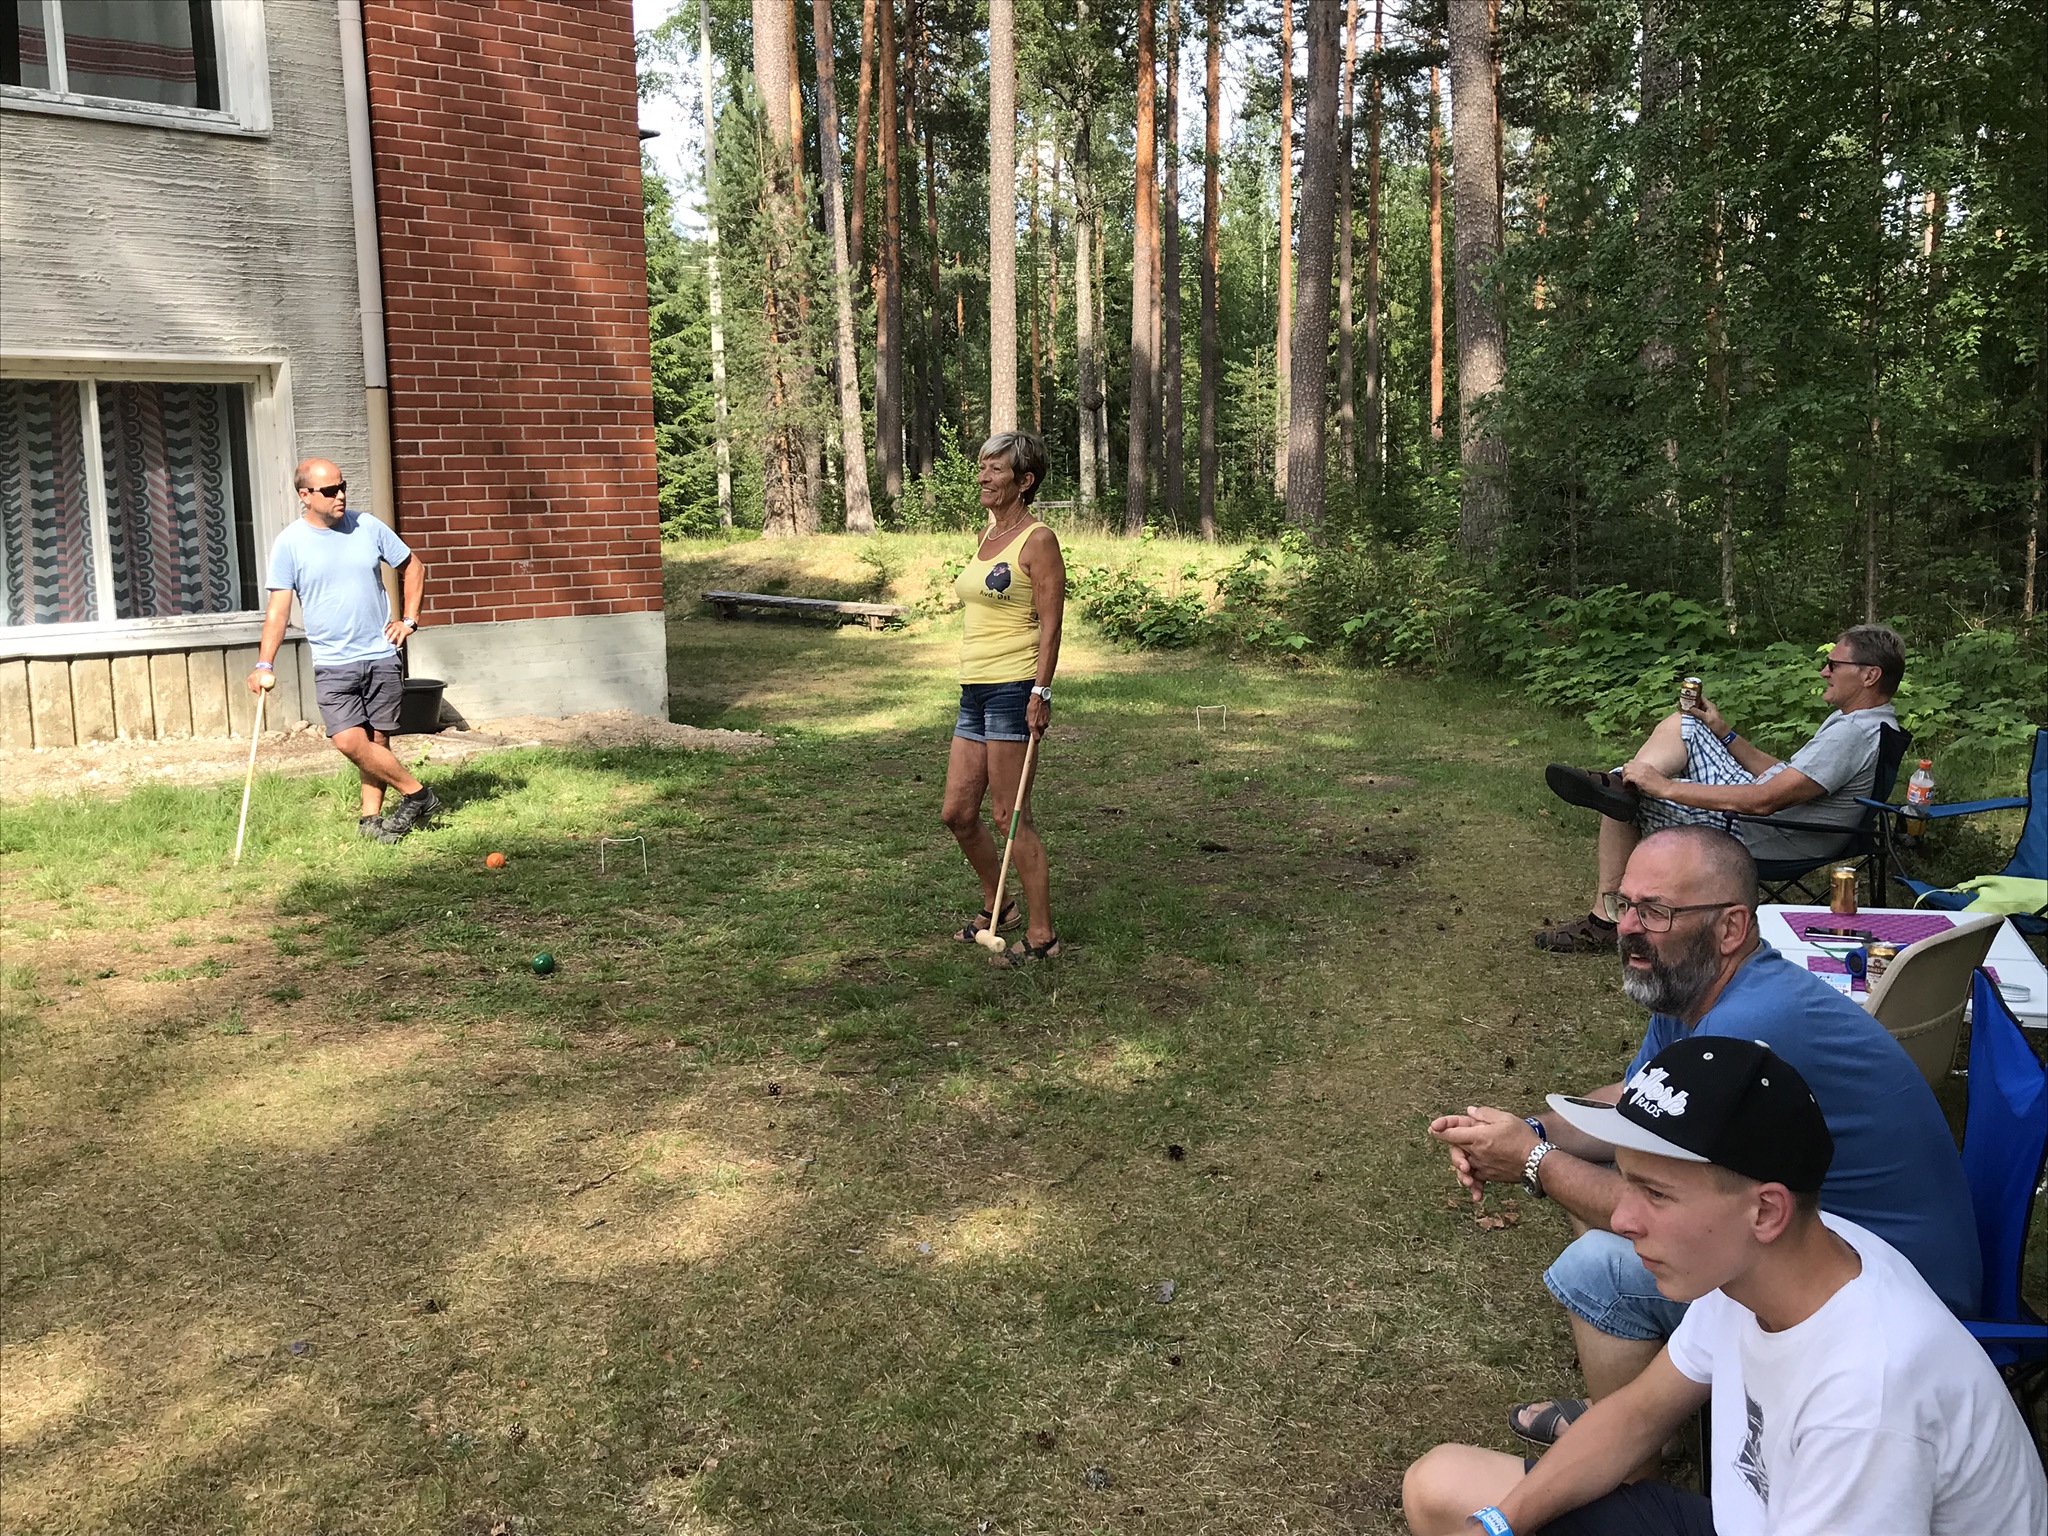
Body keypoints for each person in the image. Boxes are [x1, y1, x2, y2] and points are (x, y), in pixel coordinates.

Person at [1431, 826, 1980, 1452]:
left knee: (1597, 1266)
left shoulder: (1746, 1029)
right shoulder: (1696, 991)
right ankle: (1657, 1405)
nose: (1627, 928)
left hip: (1893, 1296)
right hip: (1825, 1243)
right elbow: (1638, 1102)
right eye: (1624, 904)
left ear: (1730, 928)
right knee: (1611, 1189)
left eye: (1656, 912)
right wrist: (1530, 1130)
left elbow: (1669, 1212)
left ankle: (1629, 1459)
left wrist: (1532, 1161)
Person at [1403, 1036, 2045, 1536]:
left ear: (1766, 1210)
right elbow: (1637, 1415)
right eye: (1627, 1182)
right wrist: (1500, 1526)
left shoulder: (1867, 1404)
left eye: (1655, 1194)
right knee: (1441, 1487)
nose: (1622, 1220)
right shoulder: (1763, 1265)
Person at [1535, 624, 1904, 952]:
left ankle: (1605, 918)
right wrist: (1723, 731)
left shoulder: (1852, 733)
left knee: (1631, 798)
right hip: (1783, 821)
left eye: (1834, 665)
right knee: (1689, 724)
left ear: (1869, 675)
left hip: (1772, 833)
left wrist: (1665, 788)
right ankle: (1621, 787)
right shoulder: (1869, 723)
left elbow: (1764, 801)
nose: (1824, 671)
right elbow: (1782, 775)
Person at [246, 459, 439, 842]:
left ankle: (371, 821)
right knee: (349, 740)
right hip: (333, 662)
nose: (341, 496)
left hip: (381, 654)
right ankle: (419, 795)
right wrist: (264, 662)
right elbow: (278, 611)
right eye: (330, 490)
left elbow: (414, 567)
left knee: (377, 741)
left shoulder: (367, 526)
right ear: (305, 495)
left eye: (343, 486)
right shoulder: (290, 543)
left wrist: (409, 621)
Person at [939, 432, 1066, 962]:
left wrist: (1041, 691)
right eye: (982, 467)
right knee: (956, 813)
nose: (983, 477)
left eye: (995, 469)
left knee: (1010, 815)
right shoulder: (986, 534)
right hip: (974, 689)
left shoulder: (1039, 540)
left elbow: (1051, 623)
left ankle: (1042, 936)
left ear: (1024, 480)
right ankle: (1001, 903)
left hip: (1014, 688)